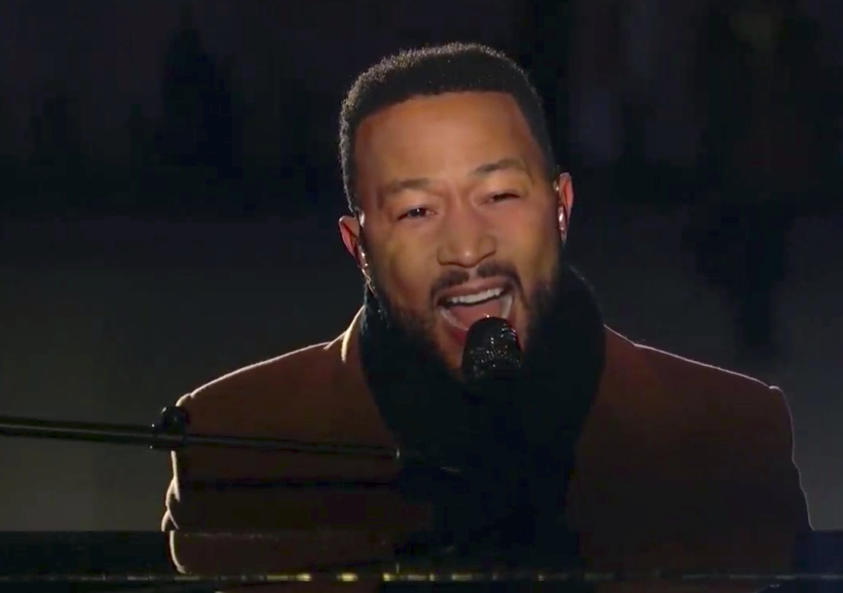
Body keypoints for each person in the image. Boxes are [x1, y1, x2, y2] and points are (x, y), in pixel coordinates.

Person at [161, 43, 809, 584]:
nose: (468, 247)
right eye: (417, 210)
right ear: (359, 246)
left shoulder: (727, 434)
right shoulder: (236, 442)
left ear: (561, 206)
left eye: (498, 195)